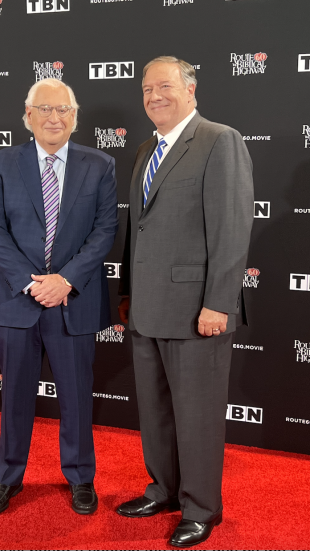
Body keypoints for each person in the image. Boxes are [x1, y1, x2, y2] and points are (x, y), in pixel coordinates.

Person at [117, 57, 253, 548]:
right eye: (147, 88)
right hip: (148, 309)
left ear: (191, 89)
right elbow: (137, 232)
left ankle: (201, 508)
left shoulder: (220, 140)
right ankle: (164, 490)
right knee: (155, 412)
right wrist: (127, 292)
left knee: (196, 416)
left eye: (165, 86)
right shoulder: (143, 151)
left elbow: (231, 228)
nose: (155, 95)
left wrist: (219, 303)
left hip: (199, 311)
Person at [0, 78, 118, 516]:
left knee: (77, 395)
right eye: (44, 109)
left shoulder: (101, 165)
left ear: (75, 118)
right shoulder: (2, 163)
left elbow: (105, 231)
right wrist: (30, 281)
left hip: (72, 302)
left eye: (63, 110)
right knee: (15, 394)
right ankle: (8, 477)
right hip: (16, 300)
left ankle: (80, 478)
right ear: (27, 116)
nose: (54, 117)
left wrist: (65, 280)